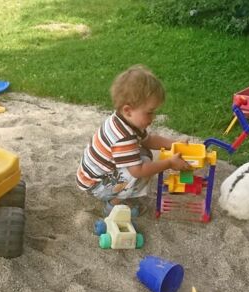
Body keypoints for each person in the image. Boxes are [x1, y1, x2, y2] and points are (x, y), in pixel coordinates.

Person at [75, 64, 193, 216]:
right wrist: (169, 163)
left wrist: (174, 144)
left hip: (96, 176)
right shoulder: (124, 137)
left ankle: (119, 194)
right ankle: (113, 205)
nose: (153, 118)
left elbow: (148, 140)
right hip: (96, 186)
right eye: (149, 112)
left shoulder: (124, 120)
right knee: (142, 169)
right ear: (128, 110)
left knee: (144, 154)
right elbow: (138, 171)